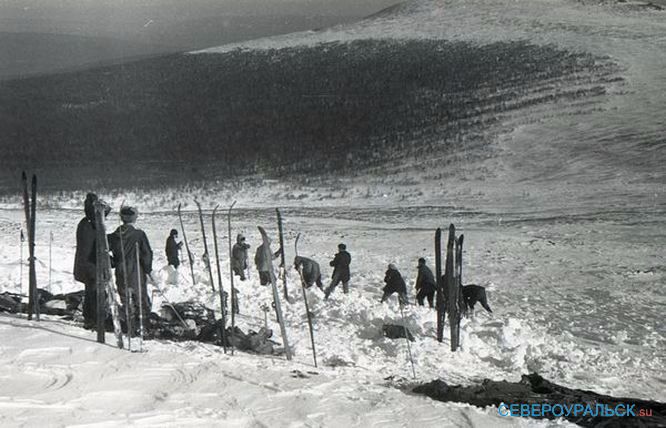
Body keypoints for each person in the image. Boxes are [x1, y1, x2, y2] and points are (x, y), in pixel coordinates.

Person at [107, 206, 153, 333]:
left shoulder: (113, 236)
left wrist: (113, 262)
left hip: (121, 271)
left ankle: (129, 327)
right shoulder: (139, 234)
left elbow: (103, 251)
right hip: (136, 271)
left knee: (126, 299)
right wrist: (148, 269)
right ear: (133, 218)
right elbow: (147, 254)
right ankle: (143, 327)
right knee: (141, 299)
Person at [73, 193, 110, 329]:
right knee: (95, 294)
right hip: (92, 265)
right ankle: (95, 320)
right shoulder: (93, 225)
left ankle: (90, 318)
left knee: (90, 292)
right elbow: (96, 247)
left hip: (86, 265)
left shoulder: (85, 223)